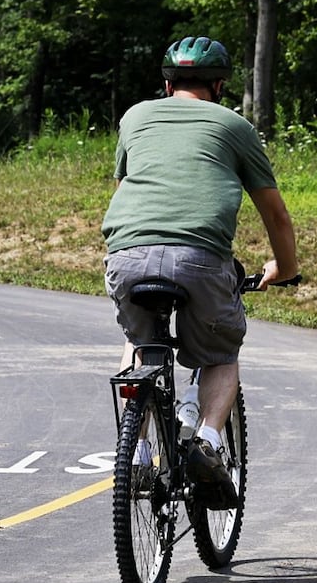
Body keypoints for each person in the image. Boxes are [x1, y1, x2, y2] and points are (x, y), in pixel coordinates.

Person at [101, 35, 299, 507]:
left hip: (127, 253)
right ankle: (208, 441)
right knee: (220, 354)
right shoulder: (235, 127)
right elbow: (275, 214)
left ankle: (139, 449)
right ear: (219, 85)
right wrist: (285, 269)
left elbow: (126, 186)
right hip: (200, 259)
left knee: (139, 340)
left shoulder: (134, 117)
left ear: (166, 83)